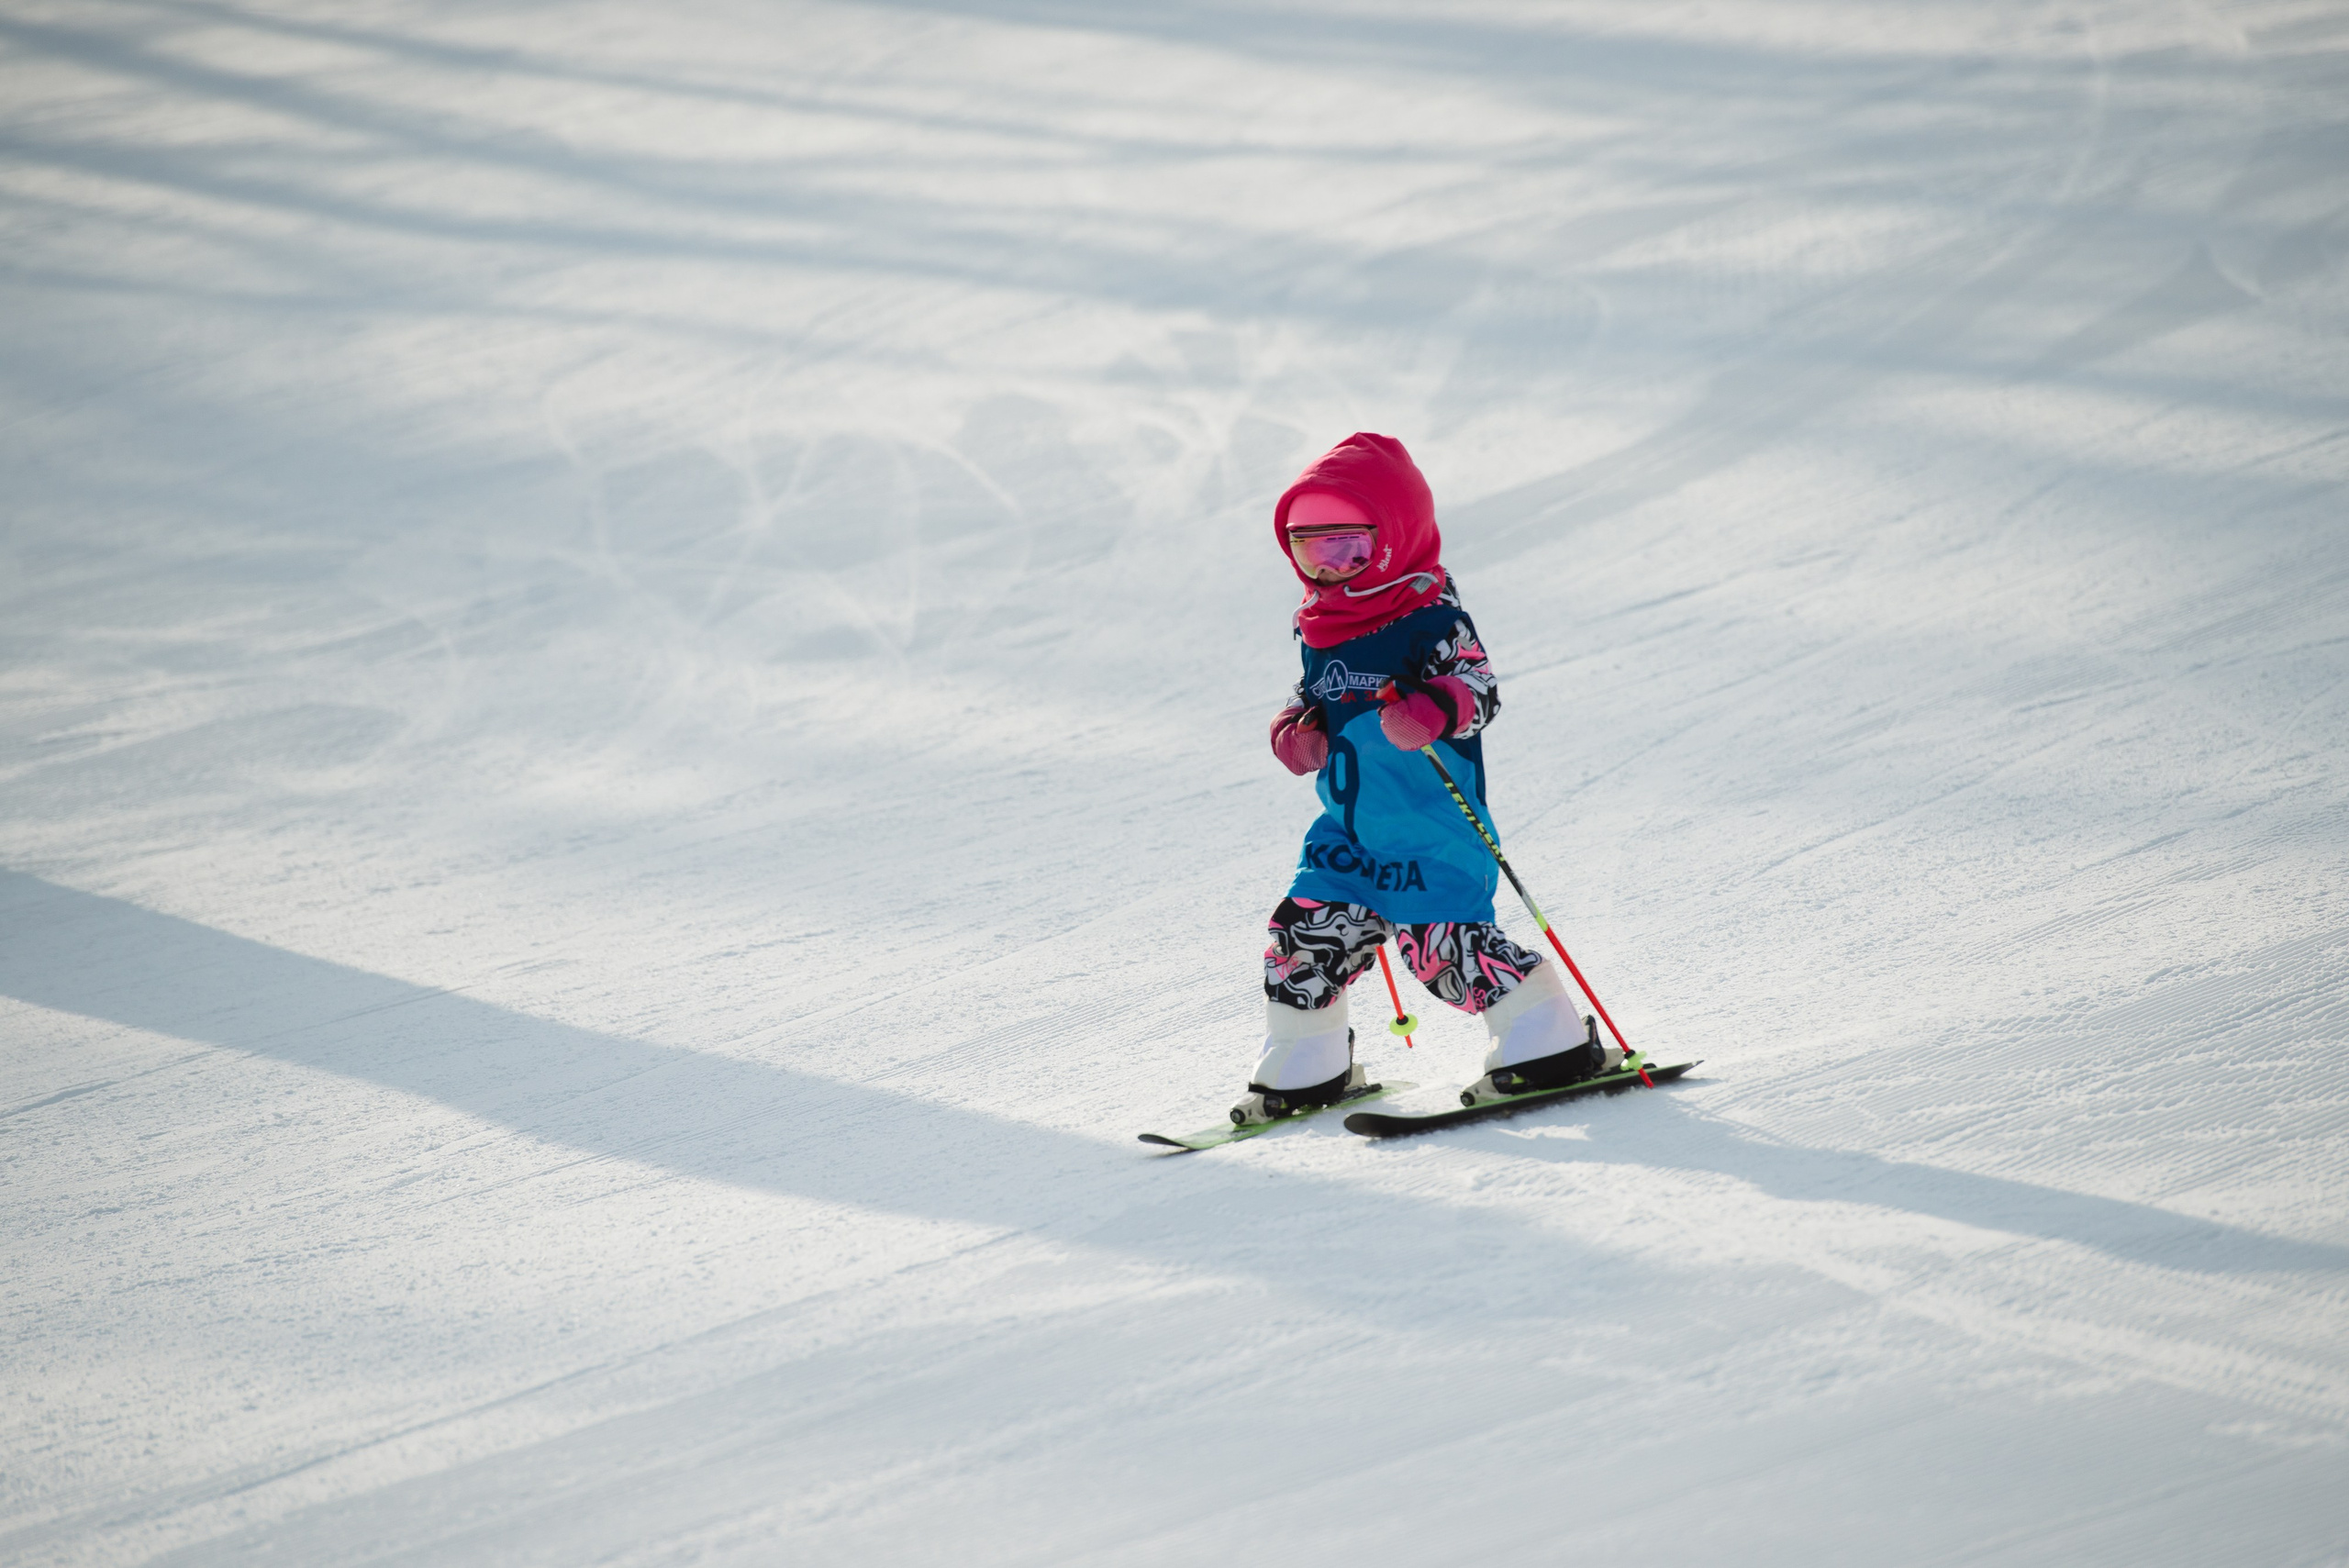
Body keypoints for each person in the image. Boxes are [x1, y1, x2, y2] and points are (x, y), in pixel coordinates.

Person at [1235, 432, 1621, 1123]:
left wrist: (1435, 708)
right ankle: (1307, 1061)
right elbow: (1308, 694)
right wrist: (1295, 730)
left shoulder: (1428, 615)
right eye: (1308, 549)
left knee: (1443, 945)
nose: (1329, 570)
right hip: (1351, 827)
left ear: (1392, 537)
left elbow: (1480, 687)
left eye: (1349, 547)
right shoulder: (1320, 624)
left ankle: (1550, 1040)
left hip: (1430, 823)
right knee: (1304, 935)